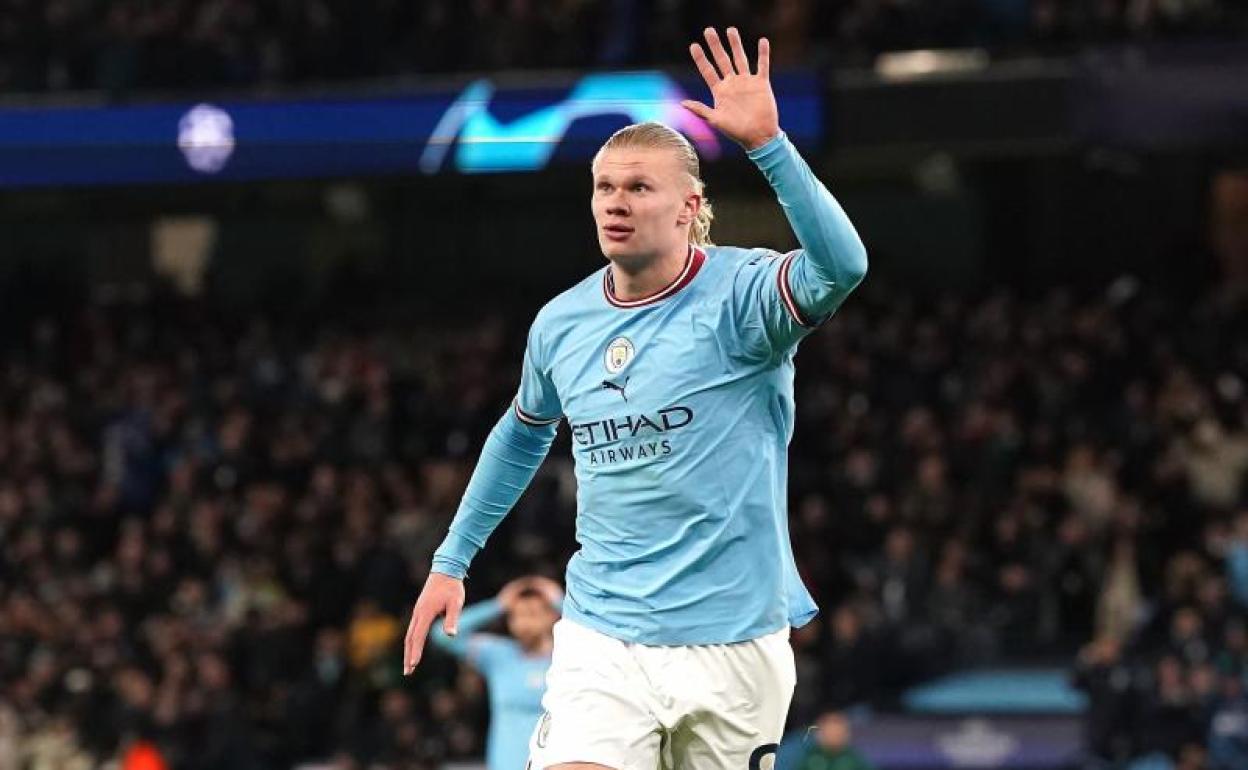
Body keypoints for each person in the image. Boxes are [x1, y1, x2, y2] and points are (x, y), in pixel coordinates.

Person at [404, 25, 868, 770]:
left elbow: (843, 266)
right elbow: (522, 434)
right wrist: (452, 559)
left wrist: (769, 145)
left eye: (639, 187)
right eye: (605, 187)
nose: (615, 203)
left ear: (688, 207)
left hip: (735, 643)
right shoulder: (562, 323)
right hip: (604, 635)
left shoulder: (742, 296)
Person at [431, 576, 562, 770]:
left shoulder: (568, 658)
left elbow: (604, 638)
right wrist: (497, 605)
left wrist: (561, 602)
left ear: (551, 616)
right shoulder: (498, 654)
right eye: (516, 615)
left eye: (532, 613)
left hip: (555, 762)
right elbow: (442, 634)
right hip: (506, 763)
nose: (524, 621)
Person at [797, 712, 875, 770]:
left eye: (838, 732)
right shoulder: (808, 758)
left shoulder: (855, 760)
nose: (834, 736)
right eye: (829, 732)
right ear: (820, 734)